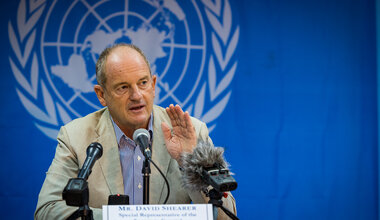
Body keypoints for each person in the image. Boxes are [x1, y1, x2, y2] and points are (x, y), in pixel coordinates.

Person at [34, 43, 236, 220]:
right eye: (123, 87)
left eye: (143, 83)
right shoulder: (76, 136)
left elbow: (226, 216)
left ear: (154, 85)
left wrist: (190, 162)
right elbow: (47, 212)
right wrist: (120, 217)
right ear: (101, 95)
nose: (137, 95)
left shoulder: (189, 131)